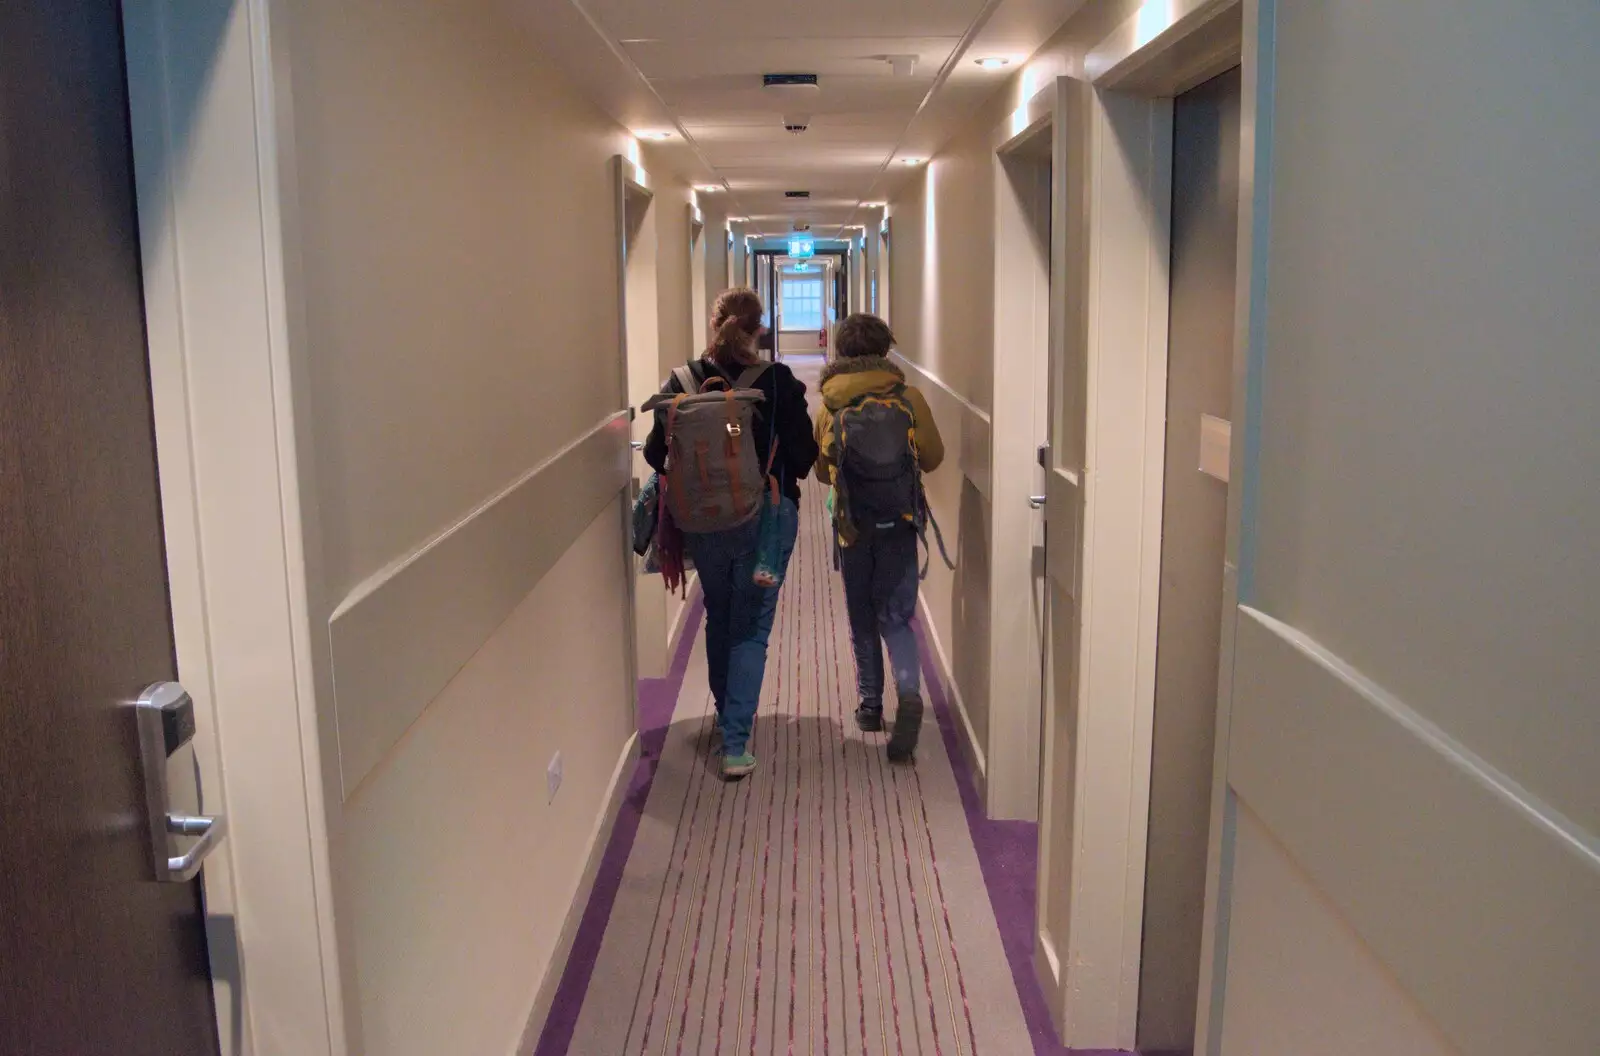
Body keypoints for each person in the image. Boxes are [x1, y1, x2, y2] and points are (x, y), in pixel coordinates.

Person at [644, 288, 818, 779]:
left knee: (719, 614)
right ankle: (736, 743)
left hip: (702, 521)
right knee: (751, 626)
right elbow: (803, 459)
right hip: (766, 519)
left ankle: (726, 716)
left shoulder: (681, 380)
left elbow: (656, 455)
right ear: (759, 329)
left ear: (714, 322)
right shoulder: (780, 382)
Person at [814, 313, 944, 763]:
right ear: (887, 349)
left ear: (841, 352)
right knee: (897, 614)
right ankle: (908, 689)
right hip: (901, 520)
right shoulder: (909, 399)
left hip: (853, 526)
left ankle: (870, 707)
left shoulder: (830, 404)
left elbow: (820, 472)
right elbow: (933, 458)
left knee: (862, 615)